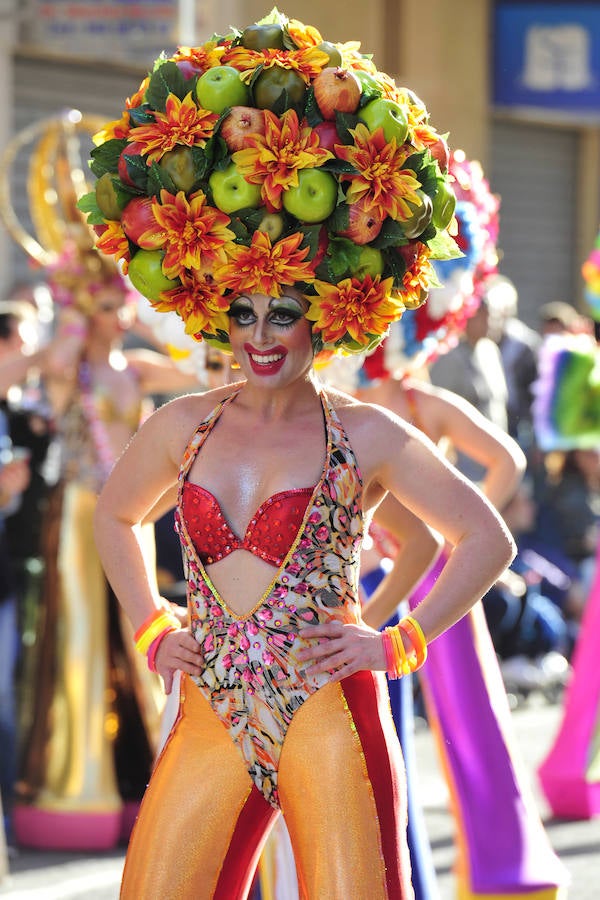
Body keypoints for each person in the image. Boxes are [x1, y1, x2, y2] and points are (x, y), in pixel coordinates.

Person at [0, 247, 202, 851]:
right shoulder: (69, 372)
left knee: (140, 630)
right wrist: (74, 305)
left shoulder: (136, 369)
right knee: (83, 639)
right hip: (80, 520)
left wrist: (146, 319)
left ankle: (145, 784)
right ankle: (79, 785)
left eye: (123, 304)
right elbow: (44, 363)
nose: (121, 315)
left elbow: (199, 367)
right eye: (111, 305)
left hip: (133, 517)